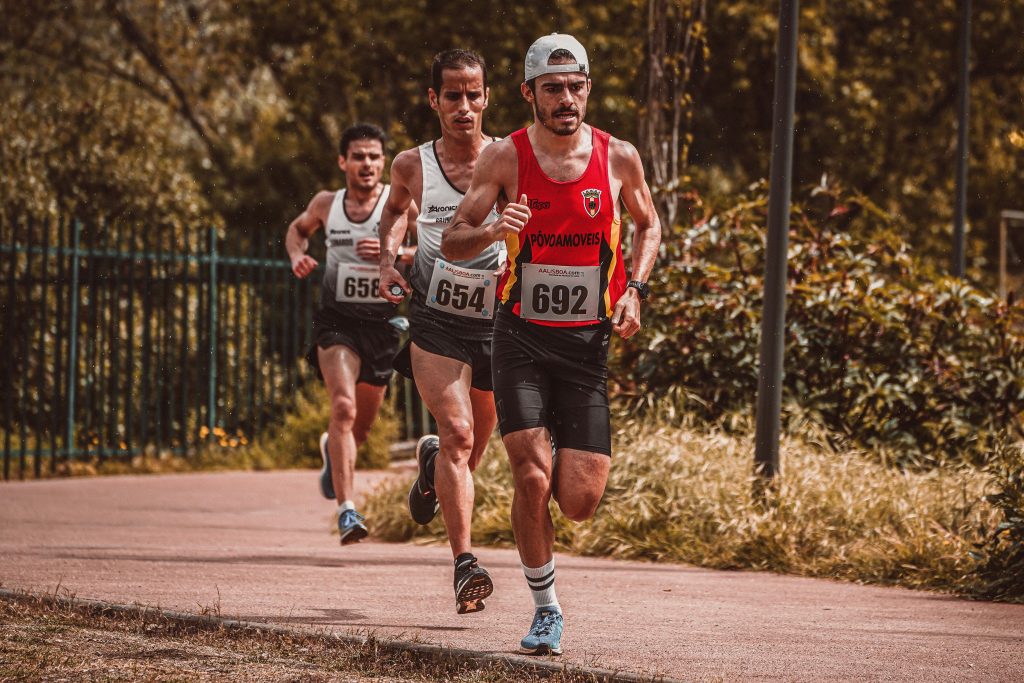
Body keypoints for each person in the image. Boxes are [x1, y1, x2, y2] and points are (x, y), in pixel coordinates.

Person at [440, 34, 662, 655]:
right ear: (529, 94)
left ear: (588, 87)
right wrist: (490, 228)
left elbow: (649, 224)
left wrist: (635, 289)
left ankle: (561, 445)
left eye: (576, 86)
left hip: (586, 344)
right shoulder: (504, 159)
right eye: (553, 88)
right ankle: (546, 610)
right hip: (520, 338)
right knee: (531, 478)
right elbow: (452, 239)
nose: (566, 99)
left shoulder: (618, 157)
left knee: (580, 500)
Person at [377, 49, 503, 615]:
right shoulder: (410, 164)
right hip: (436, 318)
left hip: (496, 323)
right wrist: (386, 261)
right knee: (456, 433)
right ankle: (464, 565)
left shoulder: (507, 161)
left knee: (472, 447)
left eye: (473, 94)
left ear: (486, 98)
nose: (464, 106)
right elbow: (395, 212)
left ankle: (430, 472)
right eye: (452, 95)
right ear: (434, 101)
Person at [285, 123, 416, 545]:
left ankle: (334, 453)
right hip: (337, 321)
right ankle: (347, 510)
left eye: (375, 157)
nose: (367, 164)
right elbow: (297, 229)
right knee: (342, 407)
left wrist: (394, 253)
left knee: (358, 428)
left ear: (384, 162)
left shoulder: (399, 205)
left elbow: (433, 246)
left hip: (381, 326)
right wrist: (297, 255)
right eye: (358, 156)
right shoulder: (327, 204)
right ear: (343, 161)